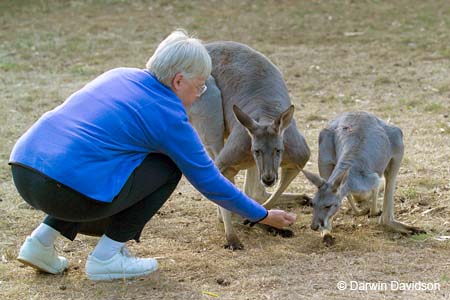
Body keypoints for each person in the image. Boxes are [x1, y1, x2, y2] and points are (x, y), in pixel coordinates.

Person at [9, 30, 296, 281]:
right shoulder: (169, 116)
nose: (200, 95)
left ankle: (40, 243)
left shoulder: (119, 74)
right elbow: (209, 179)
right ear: (179, 80)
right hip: (66, 192)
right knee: (167, 165)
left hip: (24, 169)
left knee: (101, 162)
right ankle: (107, 257)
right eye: (200, 86)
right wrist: (263, 215)